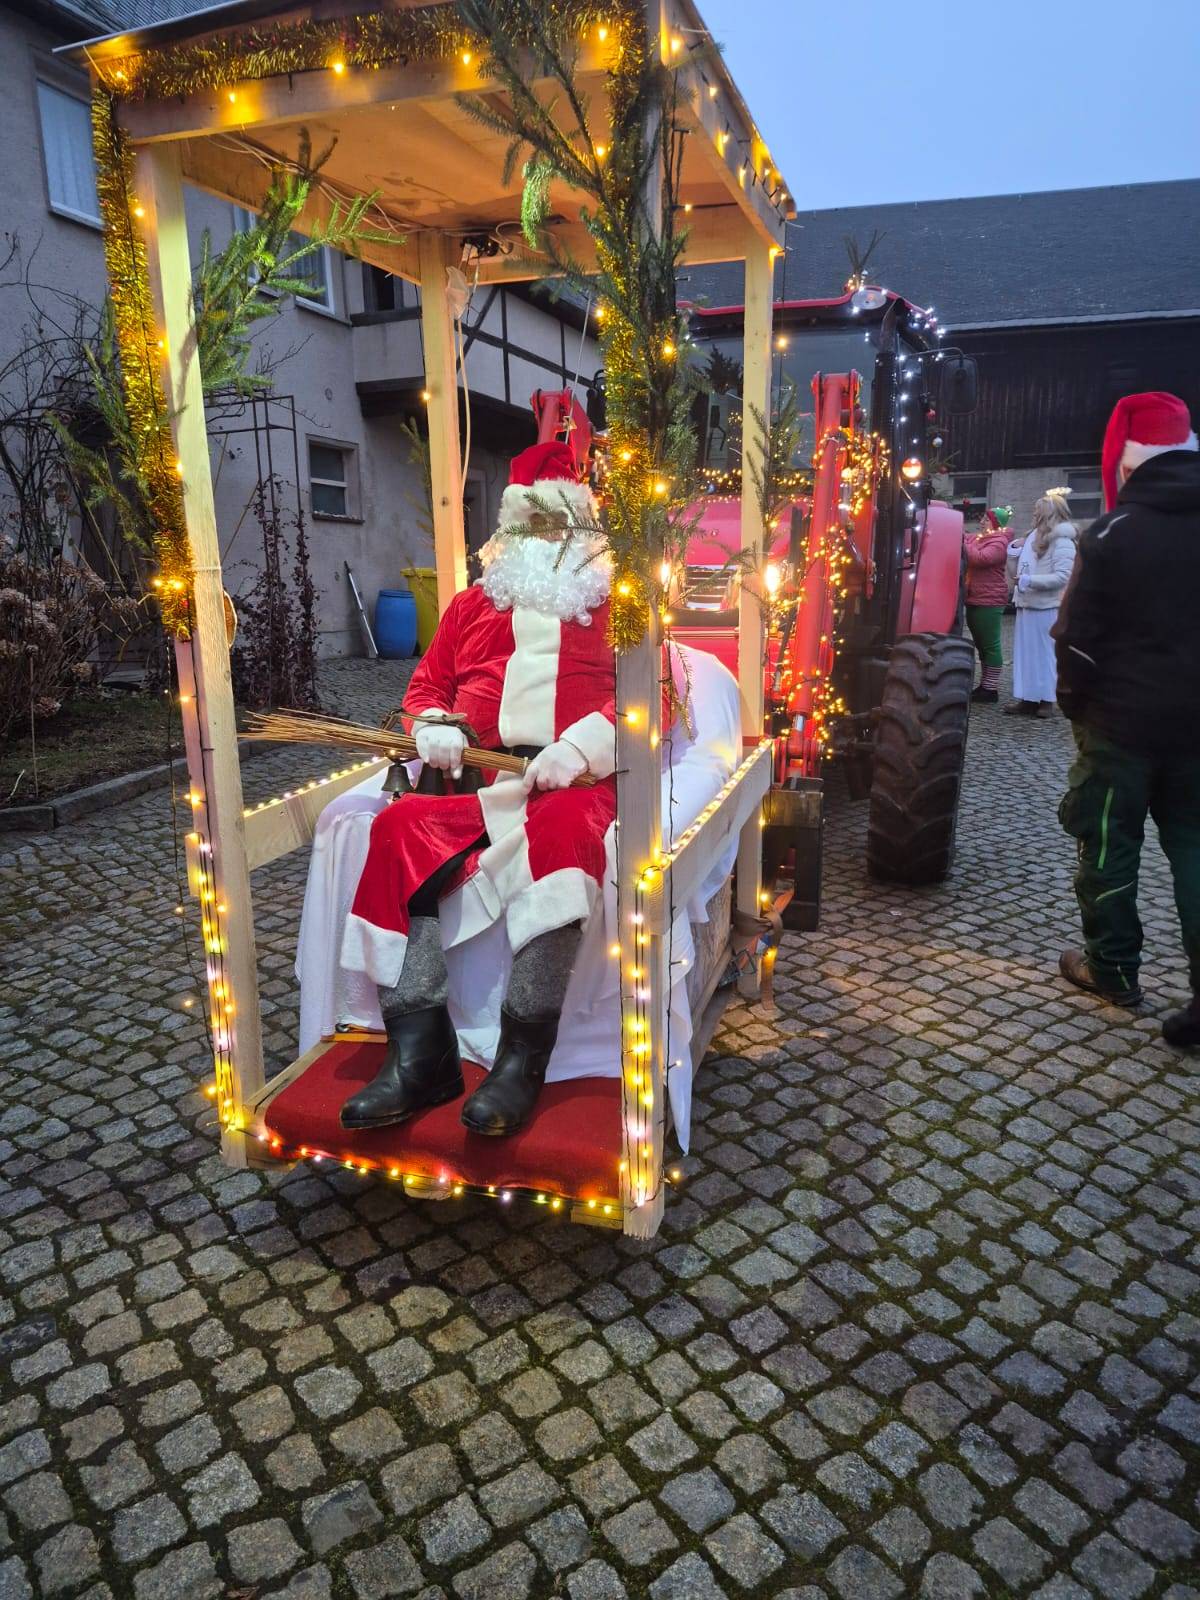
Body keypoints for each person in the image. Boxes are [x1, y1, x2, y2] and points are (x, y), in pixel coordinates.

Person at [339, 441, 619, 1136]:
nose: (542, 541)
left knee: (565, 832)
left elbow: (660, 694)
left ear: (584, 528)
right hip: (488, 779)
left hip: (577, 780)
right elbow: (425, 688)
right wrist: (431, 725)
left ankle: (523, 1055)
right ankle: (419, 1052)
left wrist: (582, 744)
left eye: (557, 526)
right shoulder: (471, 607)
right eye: (529, 527)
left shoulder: (622, 607)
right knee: (396, 828)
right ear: (508, 531)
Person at [1053, 391, 1200, 1043]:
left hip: (1119, 727)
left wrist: (1073, 702)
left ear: (1129, 463)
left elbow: (1076, 639)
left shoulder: (1111, 534)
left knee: (1109, 847)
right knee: (1196, 851)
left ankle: (1112, 968)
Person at [1004, 490, 1077, 717]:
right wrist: (1014, 554)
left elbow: (1063, 576)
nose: (1034, 514)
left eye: (1038, 511)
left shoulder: (1063, 541)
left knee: (1046, 655)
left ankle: (1047, 699)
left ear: (1048, 514)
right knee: (1026, 654)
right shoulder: (1033, 537)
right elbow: (1018, 573)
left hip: (1047, 607)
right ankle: (1027, 698)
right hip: (1027, 603)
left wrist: (1029, 581)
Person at [964, 505, 1012, 703]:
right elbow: (967, 540)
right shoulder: (980, 538)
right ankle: (984, 685)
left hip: (989, 599)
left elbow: (979, 558)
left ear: (995, 523)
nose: (981, 521)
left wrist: (964, 542)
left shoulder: (999, 542)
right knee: (982, 645)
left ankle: (990, 689)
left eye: (986, 518)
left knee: (990, 645)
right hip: (975, 596)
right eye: (982, 518)